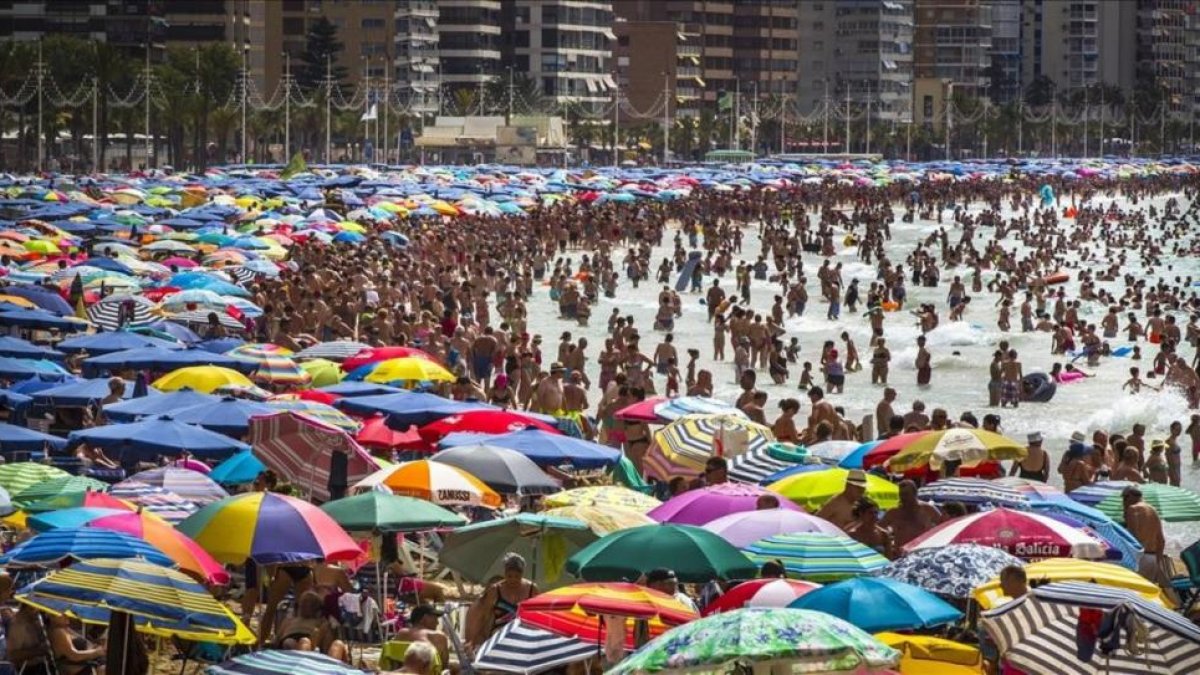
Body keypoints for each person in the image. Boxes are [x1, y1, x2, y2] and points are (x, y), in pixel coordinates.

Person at [467, 552, 539, 648]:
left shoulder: (532, 589)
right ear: (504, 573)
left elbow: (539, 613)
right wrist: (474, 640)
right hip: (500, 631)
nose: (513, 580)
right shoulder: (495, 590)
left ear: (522, 574)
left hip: (524, 630)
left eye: (517, 577)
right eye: (509, 576)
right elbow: (484, 617)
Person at [1122, 486, 1180, 604]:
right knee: (1146, 598)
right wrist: (1158, 563)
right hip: (1153, 558)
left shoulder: (1132, 510)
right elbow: (1161, 540)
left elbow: (1134, 538)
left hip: (1139, 558)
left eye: (1124, 498)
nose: (1124, 502)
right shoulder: (1153, 510)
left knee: (1131, 596)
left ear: (1130, 496)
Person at [879, 480, 941, 548]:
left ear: (915, 493)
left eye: (906, 494)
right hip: (901, 553)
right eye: (901, 494)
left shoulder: (927, 509)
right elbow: (878, 529)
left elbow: (944, 526)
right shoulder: (893, 512)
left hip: (922, 552)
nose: (903, 498)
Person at [392, 604, 449, 670]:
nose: (437, 622)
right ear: (424, 618)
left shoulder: (401, 633)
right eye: (435, 618)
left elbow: (393, 662)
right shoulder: (439, 636)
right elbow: (444, 665)